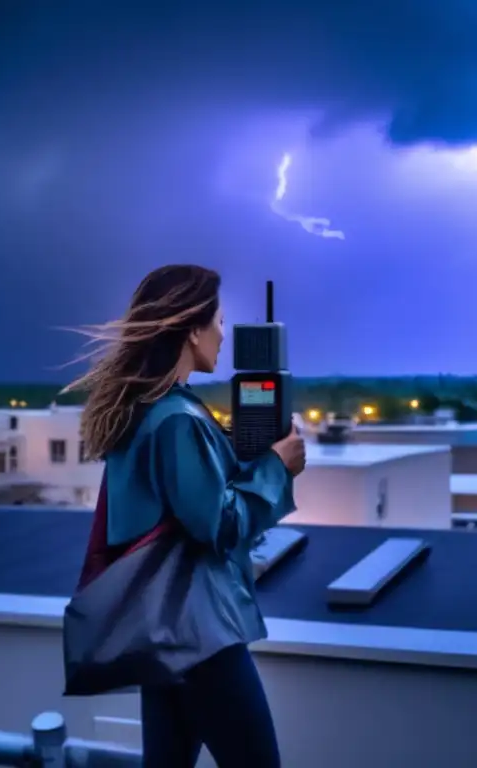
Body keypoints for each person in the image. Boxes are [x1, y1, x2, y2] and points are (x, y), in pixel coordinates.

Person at [62, 264, 306, 768]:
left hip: (165, 631)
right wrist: (278, 468)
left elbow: (184, 502)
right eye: (217, 319)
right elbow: (216, 523)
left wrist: (255, 459)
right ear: (192, 329)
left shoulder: (147, 410)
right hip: (201, 637)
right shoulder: (176, 419)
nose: (223, 333)